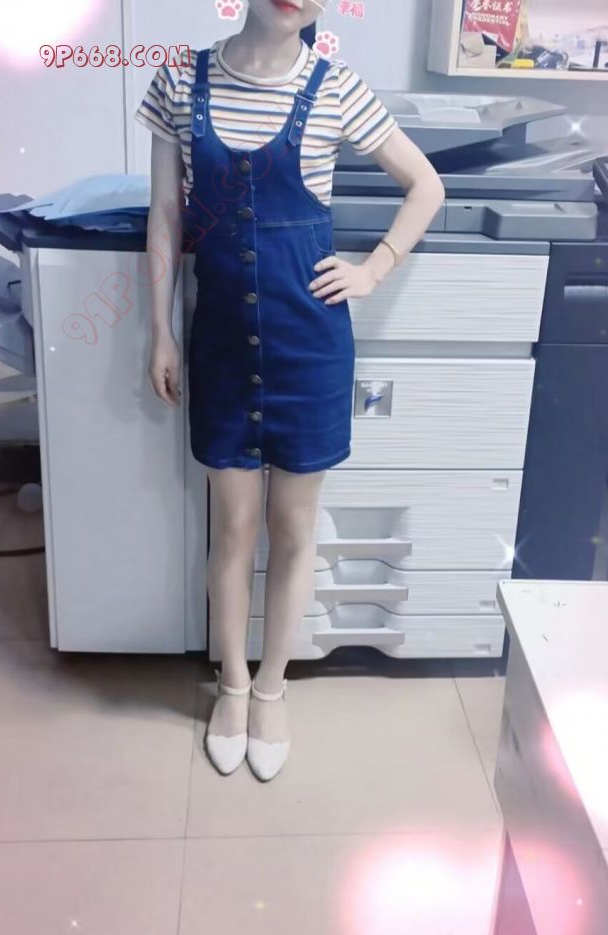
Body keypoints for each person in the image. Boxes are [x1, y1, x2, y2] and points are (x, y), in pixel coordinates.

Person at [134, 0, 444, 782]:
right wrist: (159, 330)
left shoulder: (337, 88)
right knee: (234, 527)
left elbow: (426, 186)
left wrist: (374, 268)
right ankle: (233, 686)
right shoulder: (178, 80)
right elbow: (165, 215)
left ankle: (273, 688)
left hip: (309, 346)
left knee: (293, 525)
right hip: (220, 344)